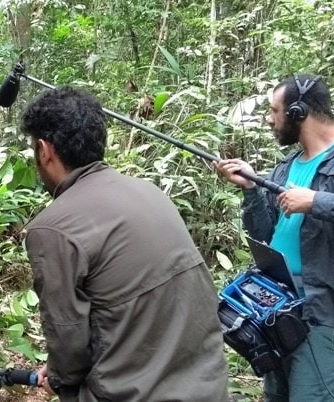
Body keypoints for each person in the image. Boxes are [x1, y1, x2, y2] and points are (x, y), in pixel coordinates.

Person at [20, 86, 230, 402]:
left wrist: (61, 378)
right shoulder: (150, 192)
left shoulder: (53, 228)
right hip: (209, 388)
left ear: (44, 150)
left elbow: (68, 345)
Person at [216, 74, 334, 401]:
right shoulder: (287, 167)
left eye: (275, 111)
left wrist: (317, 201)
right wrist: (252, 188)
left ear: (298, 112)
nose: (270, 119)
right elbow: (264, 235)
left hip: (322, 314)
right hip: (276, 311)